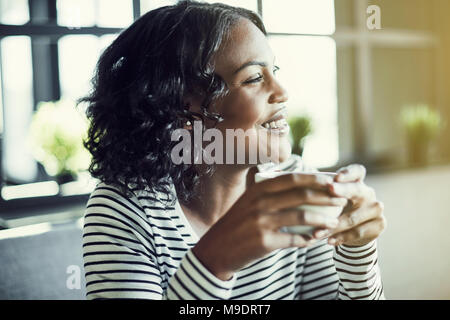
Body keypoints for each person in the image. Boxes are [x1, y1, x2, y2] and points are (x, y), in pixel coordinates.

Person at [81, 0, 386, 300]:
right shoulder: (124, 210)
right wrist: (214, 261)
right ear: (180, 110)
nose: (282, 92)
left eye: (273, 71)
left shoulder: (294, 182)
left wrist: (357, 252)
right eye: (254, 77)